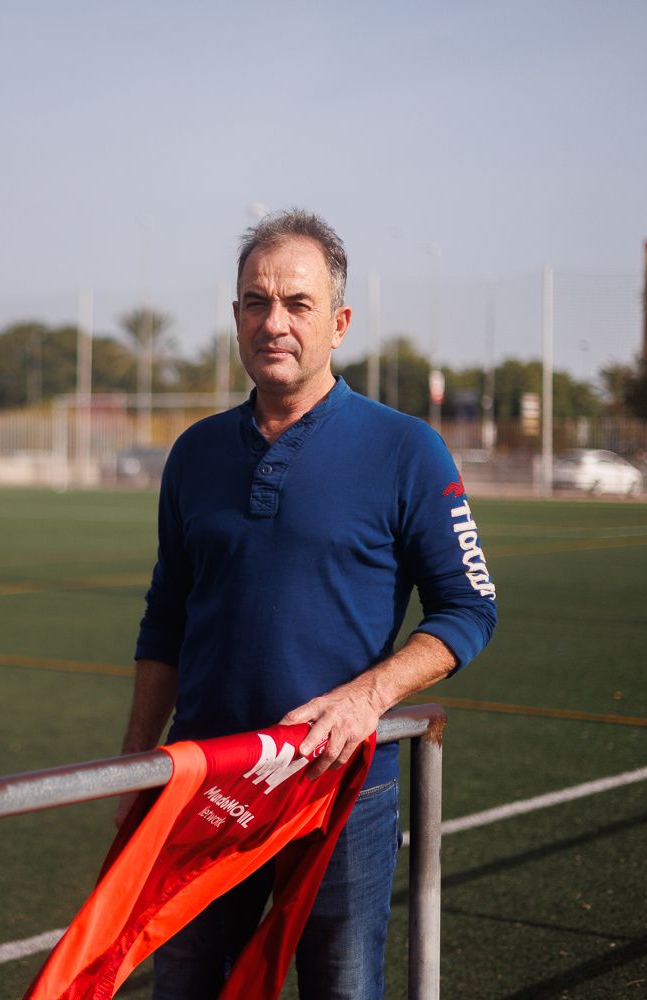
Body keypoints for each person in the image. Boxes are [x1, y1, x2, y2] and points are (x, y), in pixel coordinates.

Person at [119, 209, 497, 1000]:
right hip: (208, 785)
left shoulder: (406, 449)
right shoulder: (195, 453)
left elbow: (468, 609)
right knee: (185, 985)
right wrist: (134, 764)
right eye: (256, 302)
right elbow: (167, 618)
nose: (274, 322)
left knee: (341, 988)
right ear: (235, 318)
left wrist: (370, 695)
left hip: (339, 792)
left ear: (340, 322)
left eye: (298, 303)